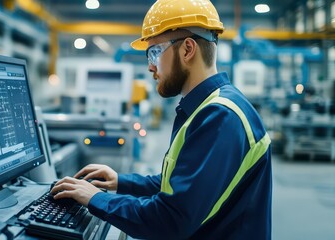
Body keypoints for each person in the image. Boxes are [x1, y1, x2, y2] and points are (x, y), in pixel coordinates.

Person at [51, 0, 272, 239]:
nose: (150, 67)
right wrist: (121, 182)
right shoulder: (209, 108)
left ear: (188, 49)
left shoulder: (220, 117)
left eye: (154, 52)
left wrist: (96, 198)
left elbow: (170, 220)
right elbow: (182, 186)